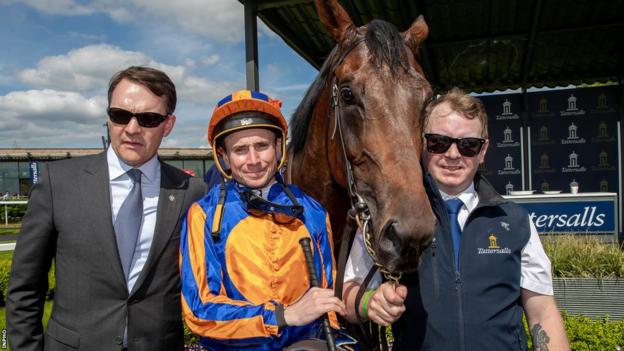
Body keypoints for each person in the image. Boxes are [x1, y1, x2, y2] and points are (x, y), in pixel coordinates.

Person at [342, 88, 570, 350]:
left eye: (468, 145)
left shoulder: (516, 221)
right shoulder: (385, 217)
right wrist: (368, 302)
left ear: (483, 151)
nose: (453, 154)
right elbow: (348, 295)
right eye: (439, 141)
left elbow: (542, 313)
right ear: (422, 143)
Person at [7, 66, 206, 351]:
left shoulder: (192, 192)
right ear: (108, 117)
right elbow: (25, 286)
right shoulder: (58, 183)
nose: (132, 129)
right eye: (120, 115)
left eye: (148, 118)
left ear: (168, 124)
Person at [180, 90, 354, 350]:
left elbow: (325, 300)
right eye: (240, 150)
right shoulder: (204, 215)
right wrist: (283, 316)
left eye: (262, 146)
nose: (253, 160)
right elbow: (199, 311)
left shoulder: (313, 211)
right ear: (224, 157)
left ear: (279, 147)